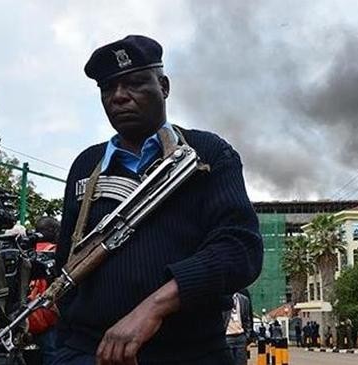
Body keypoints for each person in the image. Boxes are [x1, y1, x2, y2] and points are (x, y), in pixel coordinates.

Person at [53, 35, 263, 365]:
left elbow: (239, 250)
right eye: (108, 89)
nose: (119, 97)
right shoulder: (85, 167)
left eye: (135, 83)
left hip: (191, 353)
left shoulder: (208, 154)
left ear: (163, 86)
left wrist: (154, 306)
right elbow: (65, 268)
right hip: (92, 354)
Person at [27, 217, 60, 365]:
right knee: (52, 357)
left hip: (22, 320)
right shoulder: (56, 253)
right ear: (53, 231)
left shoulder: (25, 251)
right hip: (48, 319)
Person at [223, 291, 252, 365]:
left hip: (241, 337)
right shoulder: (223, 299)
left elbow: (247, 319)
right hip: (227, 337)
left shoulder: (244, 299)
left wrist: (247, 336)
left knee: (241, 362)